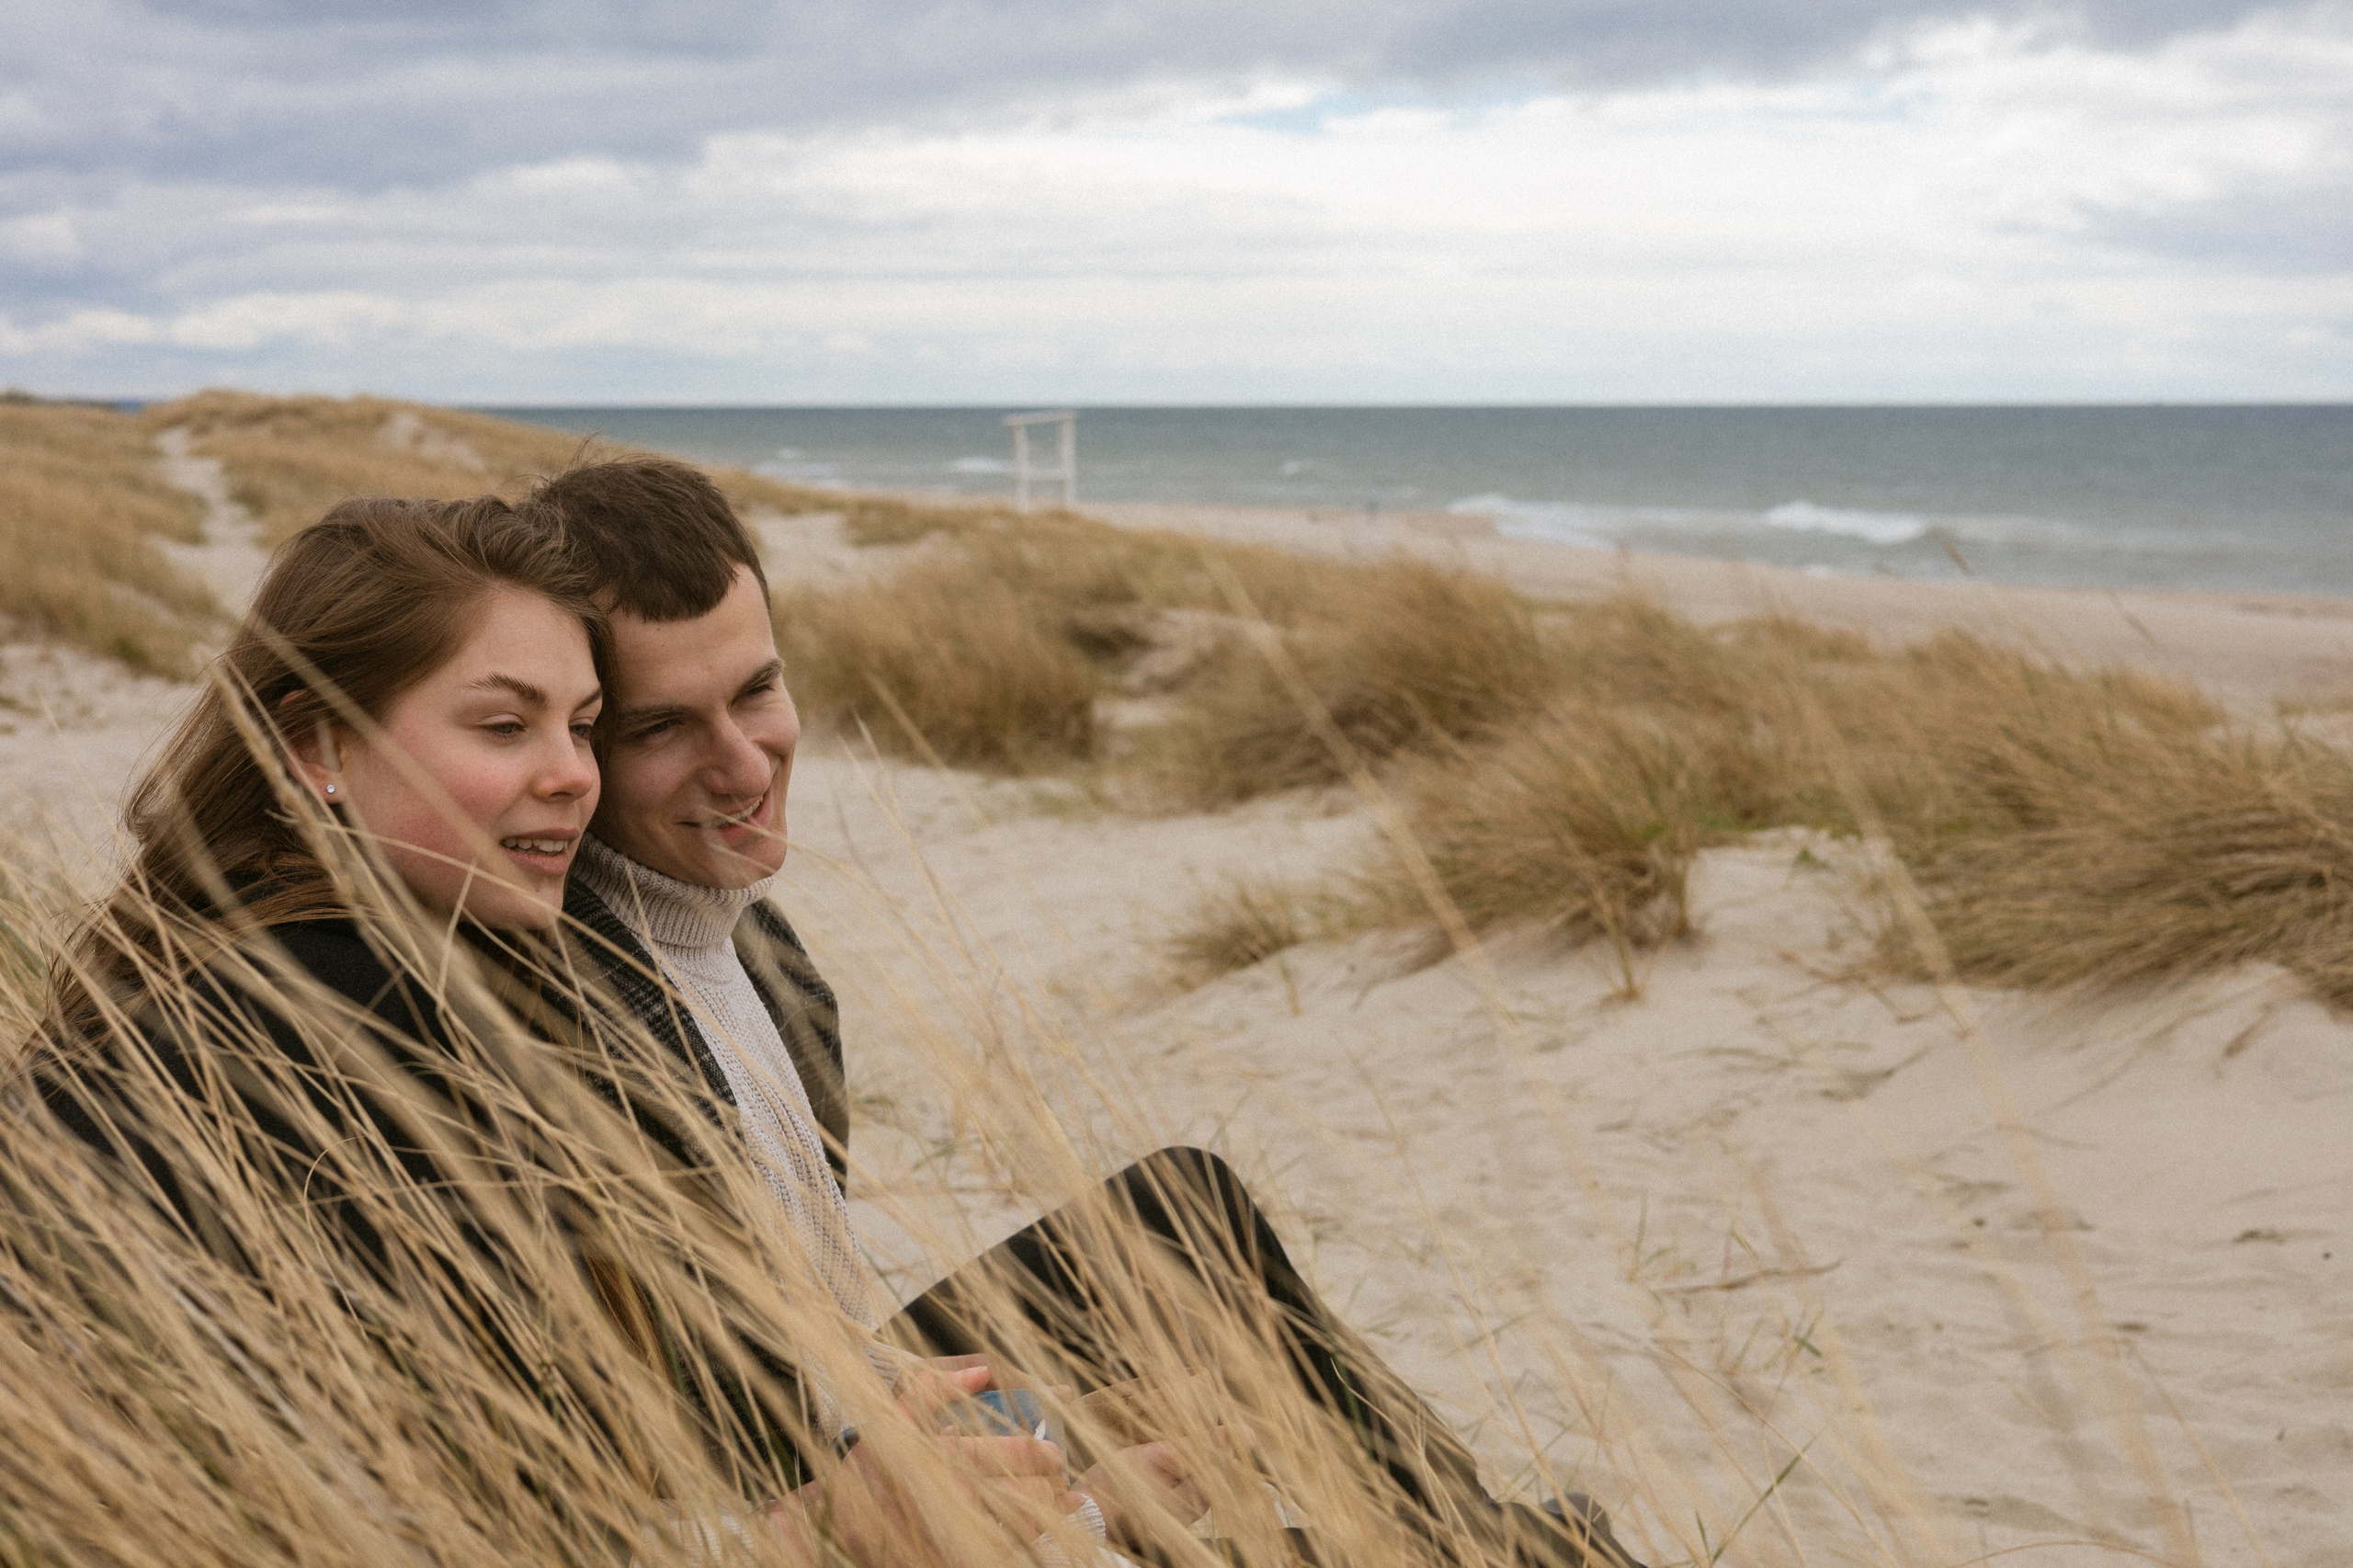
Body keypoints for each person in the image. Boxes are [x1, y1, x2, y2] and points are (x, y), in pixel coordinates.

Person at [523, 458, 1645, 1568]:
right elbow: (685, 1445)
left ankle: (1477, 1534)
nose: (742, 763)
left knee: (1181, 1205)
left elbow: (807, 1311)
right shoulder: (566, 993)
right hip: (783, 1501)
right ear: (576, 738)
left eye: (758, 690)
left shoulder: (756, 943)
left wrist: (1029, 1426)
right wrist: (1066, 1501)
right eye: (660, 726)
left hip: (838, 1403)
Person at [25, 494, 1079, 1568]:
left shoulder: (438, 960)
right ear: (316, 744)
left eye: (582, 725)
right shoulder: (305, 1018)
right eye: (503, 724)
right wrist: (826, 1526)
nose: (574, 772)